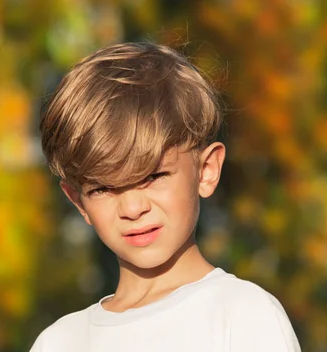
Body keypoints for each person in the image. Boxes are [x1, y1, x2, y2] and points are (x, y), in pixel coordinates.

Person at [30, 42, 301, 351]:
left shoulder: (243, 317)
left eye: (153, 177)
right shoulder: (59, 343)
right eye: (103, 188)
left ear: (206, 170)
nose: (132, 208)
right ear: (78, 201)